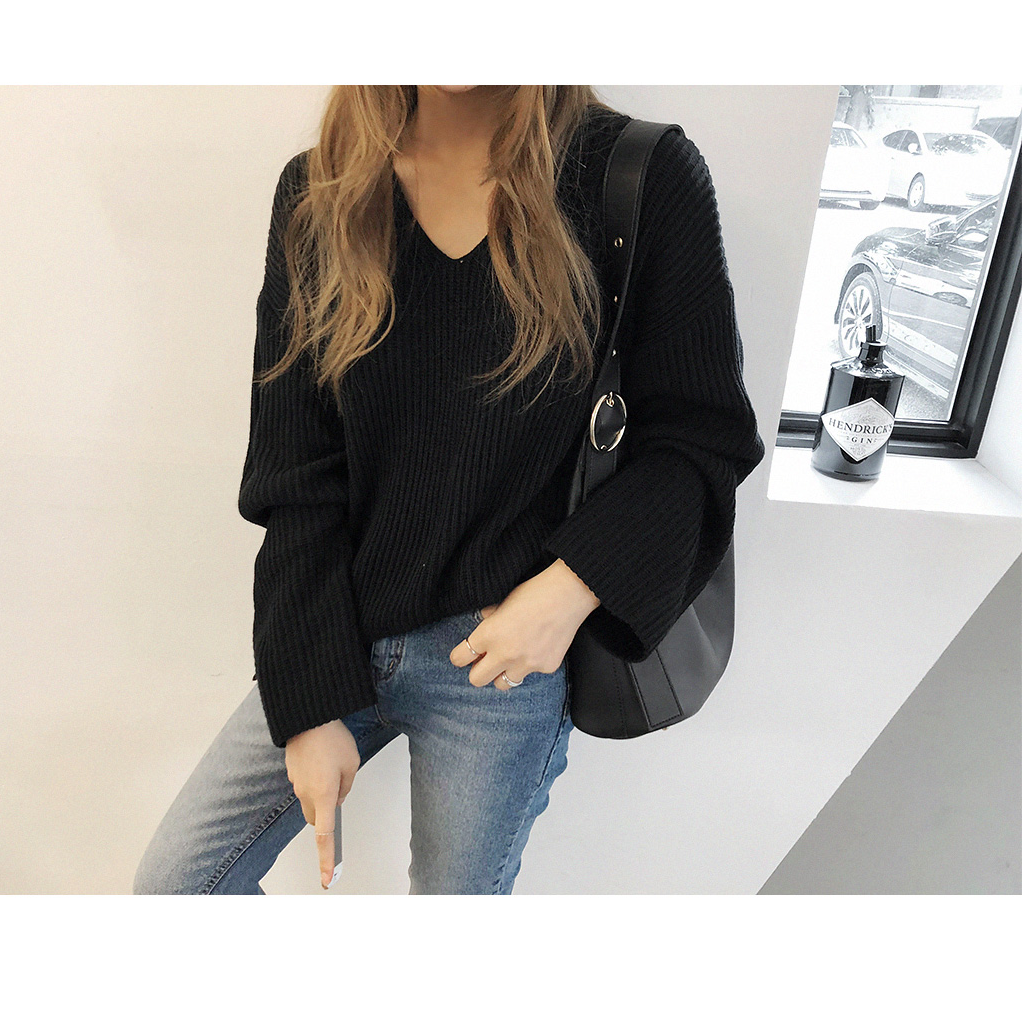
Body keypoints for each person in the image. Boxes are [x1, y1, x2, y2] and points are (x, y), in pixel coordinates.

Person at [133, 83, 765, 898]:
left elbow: (701, 437)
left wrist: (569, 592)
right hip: (336, 631)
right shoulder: (321, 191)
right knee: (177, 886)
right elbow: (296, 473)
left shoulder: (636, 175)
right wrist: (308, 702)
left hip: (498, 662)